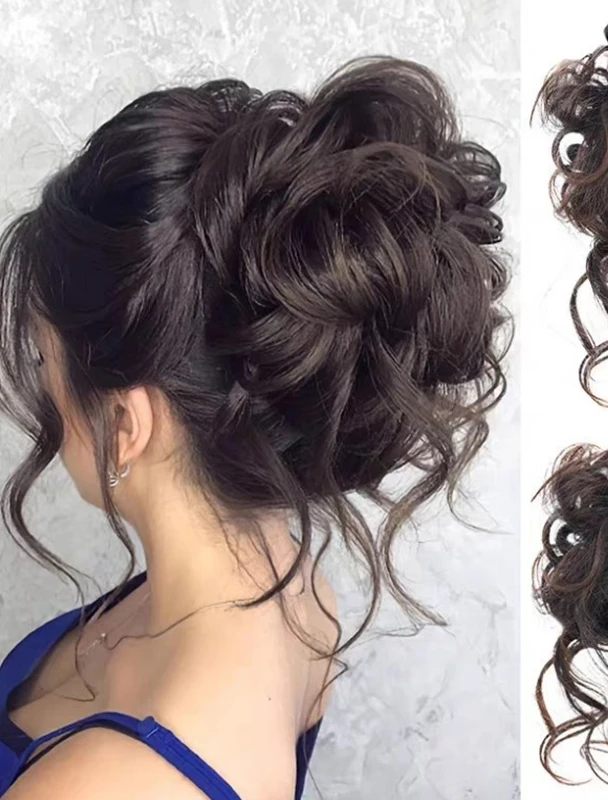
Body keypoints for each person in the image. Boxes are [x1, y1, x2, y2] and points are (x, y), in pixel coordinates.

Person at [0, 56, 509, 799]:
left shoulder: (111, 786)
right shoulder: (291, 587)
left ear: (125, 422)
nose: (44, 387)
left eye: (46, 358)